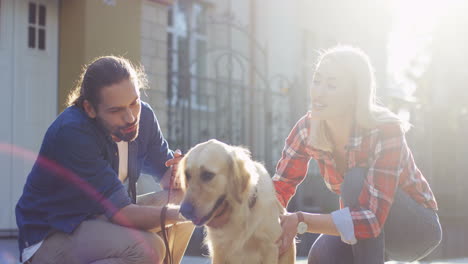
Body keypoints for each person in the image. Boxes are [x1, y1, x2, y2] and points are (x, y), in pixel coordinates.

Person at [16, 56, 194, 264]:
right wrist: (183, 214)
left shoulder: (142, 116)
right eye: (116, 110)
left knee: (187, 198)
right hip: (52, 234)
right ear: (90, 108)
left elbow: (168, 179)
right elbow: (123, 214)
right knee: (150, 248)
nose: (130, 117)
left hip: (102, 220)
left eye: (133, 103)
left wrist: (183, 173)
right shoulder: (73, 133)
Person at [274, 46, 442, 264]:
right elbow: (280, 187)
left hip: (416, 229)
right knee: (322, 256)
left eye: (331, 85)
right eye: (317, 81)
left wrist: (300, 220)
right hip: (364, 227)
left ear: (355, 94)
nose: (319, 92)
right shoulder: (307, 128)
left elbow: (371, 220)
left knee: (354, 181)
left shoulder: (384, 130)